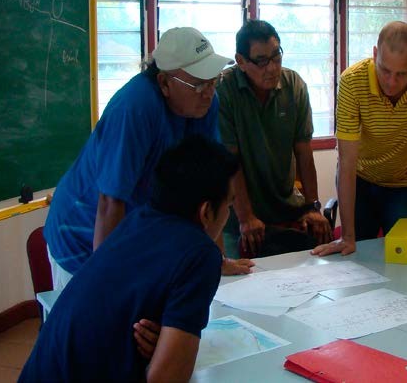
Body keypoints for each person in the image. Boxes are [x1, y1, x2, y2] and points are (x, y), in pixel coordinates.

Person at [43, 27, 252, 291]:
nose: (208, 92)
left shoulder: (205, 104)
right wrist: (104, 286)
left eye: (213, 80)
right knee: (98, 309)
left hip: (136, 231)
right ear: (164, 83)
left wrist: (215, 260)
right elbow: (110, 203)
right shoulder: (134, 108)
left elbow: (211, 186)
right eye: (199, 84)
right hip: (82, 232)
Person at [19, 135, 239, 382]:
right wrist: (171, 353)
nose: (228, 214)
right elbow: (165, 378)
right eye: (229, 206)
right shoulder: (200, 254)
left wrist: (166, 344)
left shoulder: (137, 220)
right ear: (206, 211)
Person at [313, 21, 407, 257]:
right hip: (361, 178)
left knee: (406, 253)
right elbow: (347, 161)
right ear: (375, 55)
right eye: (384, 70)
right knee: (356, 255)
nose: (391, 82)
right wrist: (347, 236)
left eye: (402, 74)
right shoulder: (352, 81)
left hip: (402, 183)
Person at [217, 20, 331, 257]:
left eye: (276, 57)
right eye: (261, 61)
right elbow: (229, 161)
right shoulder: (224, 90)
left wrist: (312, 206)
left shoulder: (294, 85)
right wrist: (246, 217)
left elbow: (303, 151)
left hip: (285, 208)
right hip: (238, 214)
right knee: (238, 275)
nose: (272, 68)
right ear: (241, 61)